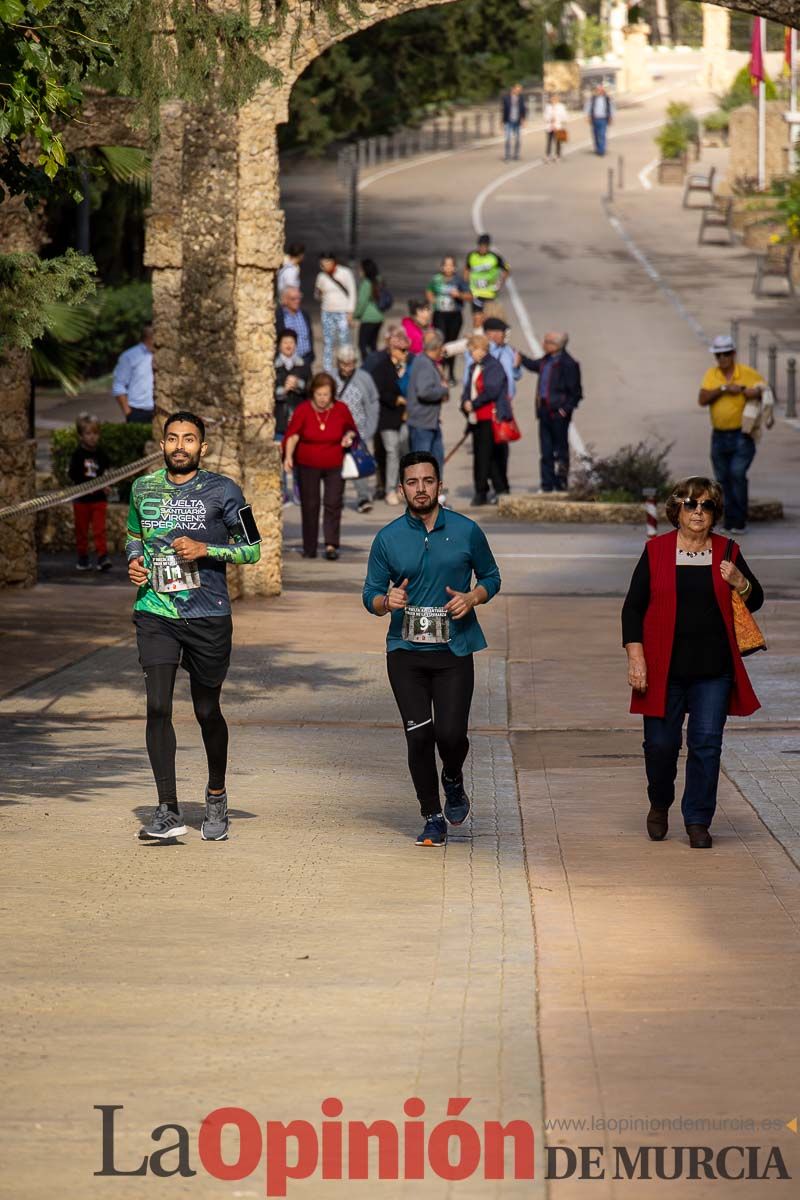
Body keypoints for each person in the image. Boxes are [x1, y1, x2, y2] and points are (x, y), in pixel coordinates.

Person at [126, 411, 261, 842]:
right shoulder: (142, 488)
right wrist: (133, 562)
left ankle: (216, 794)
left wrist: (206, 548)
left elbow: (253, 549)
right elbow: (133, 534)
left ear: (202, 448)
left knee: (206, 711)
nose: (179, 446)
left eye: (188, 439)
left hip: (208, 614)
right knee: (158, 706)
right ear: (162, 444)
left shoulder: (224, 490)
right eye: (171, 438)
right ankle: (167, 809)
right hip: (155, 611)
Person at [362, 451, 502, 847]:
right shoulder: (388, 538)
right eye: (412, 482)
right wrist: (385, 602)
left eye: (427, 481)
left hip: (454, 652)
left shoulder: (466, 530)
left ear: (440, 486)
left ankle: (453, 778)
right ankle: (432, 815)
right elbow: (370, 593)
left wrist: (473, 597)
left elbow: (491, 576)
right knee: (419, 736)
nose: (420, 489)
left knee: (451, 735)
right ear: (401, 488)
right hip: (405, 655)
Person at [622, 477, 763, 849]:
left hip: (714, 671)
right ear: (677, 510)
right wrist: (636, 657)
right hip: (663, 670)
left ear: (715, 513)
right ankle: (659, 801)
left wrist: (740, 582)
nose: (698, 511)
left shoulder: (728, 551)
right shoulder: (656, 552)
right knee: (661, 746)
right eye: (690, 504)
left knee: (706, 744)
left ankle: (698, 819)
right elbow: (632, 609)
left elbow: (756, 598)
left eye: (706, 506)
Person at [698, 334, 769, 534]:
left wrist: (745, 390)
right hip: (718, 435)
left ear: (733, 354)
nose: (722, 358)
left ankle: (739, 520)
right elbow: (702, 399)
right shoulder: (712, 375)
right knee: (722, 478)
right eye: (718, 355)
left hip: (742, 434)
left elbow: (764, 390)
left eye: (726, 354)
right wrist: (722, 389)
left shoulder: (746, 373)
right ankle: (729, 519)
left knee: (737, 474)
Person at [283, 371, 357, 559]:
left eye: (326, 395)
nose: (323, 399)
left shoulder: (341, 409)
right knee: (310, 505)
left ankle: (331, 545)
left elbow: (351, 429)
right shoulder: (304, 409)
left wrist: (348, 437)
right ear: (312, 393)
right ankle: (310, 547)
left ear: (332, 393)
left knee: (333, 503)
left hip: (334, 463)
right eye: (319, 395)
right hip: (308, 464)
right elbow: (293, 435)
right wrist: (288, 457)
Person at [518, 331, 582, 493]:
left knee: (560, 450)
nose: (543, 344)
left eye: (547, 342)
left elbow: (575, 393)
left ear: (556, 345)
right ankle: (547, 484)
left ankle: (561, 483)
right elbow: (534, 365)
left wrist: (564, 410)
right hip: (544, 412)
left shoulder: (568, 364)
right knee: (546, 450)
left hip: (558, 414)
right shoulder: (547, 360)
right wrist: (521, 357)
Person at [461, 333, 511, 505]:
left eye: (472, 350)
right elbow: (468, 388)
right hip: (478, 418)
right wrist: (465, 402)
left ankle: (495, 489)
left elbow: (492, 390)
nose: (471, 353)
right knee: (482, 456)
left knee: (491, 456)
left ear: (481, 349)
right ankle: (484, 488)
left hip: (490, 417)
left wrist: (473, 403)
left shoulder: (493, 366)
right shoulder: (474, 367)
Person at [364, 328, 410, 505]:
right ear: (393, 350)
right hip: (386, 418)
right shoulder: (381, 367)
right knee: (392, 451)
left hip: (405, 417)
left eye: (406, 350)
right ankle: (390, 489)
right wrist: (396, 399)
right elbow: (378, 392)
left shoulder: (408, 367)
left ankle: (402, 487)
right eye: (402, 350)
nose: (405, 353)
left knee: (404, 451)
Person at [334, 345, 380, 514]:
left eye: (350, 364)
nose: (347, 367)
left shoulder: (364, 378)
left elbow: (373, 403)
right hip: (336, 431)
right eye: (344, 364)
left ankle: (363, 498)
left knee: (359, 464)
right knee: (337, 466)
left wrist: (369, 429)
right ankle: (336, 498)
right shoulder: (331, 377)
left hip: (358, 430)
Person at [68, 412, 112, 572]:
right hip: (82, 500)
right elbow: (73, 475)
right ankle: (83, 557)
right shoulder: (78, 455)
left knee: (99, 529)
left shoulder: (101, 454)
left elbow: (107, 471)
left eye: (95, 433)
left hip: (98, 499)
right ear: (81, 436)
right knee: (82, 530)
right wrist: (88, 485)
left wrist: (106, 483)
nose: (92, 437)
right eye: (88, 433)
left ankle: (102, 556)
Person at [407, 329, 449, 476]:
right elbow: (424, 392)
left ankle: (435, 493)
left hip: (431, 421)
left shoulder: (425, 361)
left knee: (437, 460)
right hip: (422, 424)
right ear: (437, 347)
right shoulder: (424, 364)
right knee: (423, 466)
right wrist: (443, 390)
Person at [426, 256, 471, 384]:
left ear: (455, 267)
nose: (448, 268)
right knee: (440, 342)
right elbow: (429, 291)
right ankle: (440, 372)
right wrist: (432, 300)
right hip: (440, 314)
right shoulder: (437, 279)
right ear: (442, 267)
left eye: (451, 265)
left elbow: (469, 296)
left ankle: (451, 372)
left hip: (454, 315)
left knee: (452, 343)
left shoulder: (459, 280)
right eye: (446, 265)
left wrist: (459, 295)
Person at [314, 251, 357, 372]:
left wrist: (350, 311)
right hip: (327, 312)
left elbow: (352, 292)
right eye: (323, 263)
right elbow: (317, 295)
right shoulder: (321, 276)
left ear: (333, 262)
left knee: (344, 341)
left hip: (342, 312)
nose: (325, 265)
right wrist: (319, 292)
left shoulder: (345, 273)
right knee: (328, 341)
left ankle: (346, 366)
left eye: (327, 262)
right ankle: (327, 369)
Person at [112, 324, 154, 424]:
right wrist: (128, 413)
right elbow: (118, 385)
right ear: (149, 337)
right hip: (137, 412)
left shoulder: (162, 355)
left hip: (160, 412)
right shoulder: (129, 356)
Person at [465, 234, 510, 317]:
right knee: (477, 317)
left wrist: (500, 283)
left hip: (490, 293)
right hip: (476, 293)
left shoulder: (495, 257)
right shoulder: (471, 256)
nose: (482, 248)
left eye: (484, 246)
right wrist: (466, 284)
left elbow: (506, 269)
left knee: (488, 316)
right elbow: (467, 270)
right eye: (480, 246)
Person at [355, 258, 386, 360]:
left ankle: (367, 366)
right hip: (379, 317)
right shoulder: (379, 280)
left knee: (362, 344)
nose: (359, 272)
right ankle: (376, 364)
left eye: (360, 269)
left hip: (368, 318)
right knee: (373, 344)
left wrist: (355, 315)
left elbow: (362, 303)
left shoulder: (366, 283)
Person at [276, 286, 314, 368]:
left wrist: (310, 357)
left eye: (299, 298)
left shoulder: (304, 314)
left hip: (305, 360)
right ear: (285, 300)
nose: (297, 301)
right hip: (286, 363)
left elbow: (309, 337)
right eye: (293, 299)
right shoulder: (279, 316)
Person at [585, 83, 614, 156]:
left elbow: (611, 108)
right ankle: (598, 148)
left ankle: (601, 150)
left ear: (603, 91)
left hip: (603, 119)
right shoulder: (592, 99)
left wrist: (611, 117)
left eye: (601, 90)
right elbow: (588, 108)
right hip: (594, 118)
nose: (599, 91)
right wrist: (588, 117)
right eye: (598, 90)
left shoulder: (607, 99)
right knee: (595, 135)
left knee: (602, 134)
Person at [501, 82, 527, 161]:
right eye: (517, 90)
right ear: (513, 89)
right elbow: (504, 110)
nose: (519, 91)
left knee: (517, 139)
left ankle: (516, 155)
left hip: (517, 121)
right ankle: (507, 155)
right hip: (509, 121)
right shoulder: (506, 98)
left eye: (520, 90)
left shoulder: (521, 98)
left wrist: (523, 119)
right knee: (508, 139)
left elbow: (523, 109)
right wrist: (502, 121)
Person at [544, 92, 568, 163]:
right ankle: (548, 155)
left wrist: (559, 119)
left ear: (558, 99)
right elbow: (545, 116)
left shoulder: (561, 106)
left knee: (558, 142)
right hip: (549, 127)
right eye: (552, 98)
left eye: (555, 98)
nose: (554, 99)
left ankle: (557, 155)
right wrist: (549, 118)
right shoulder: (548, 107)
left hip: (558, 126)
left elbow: (565, 117)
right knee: (549, 142)